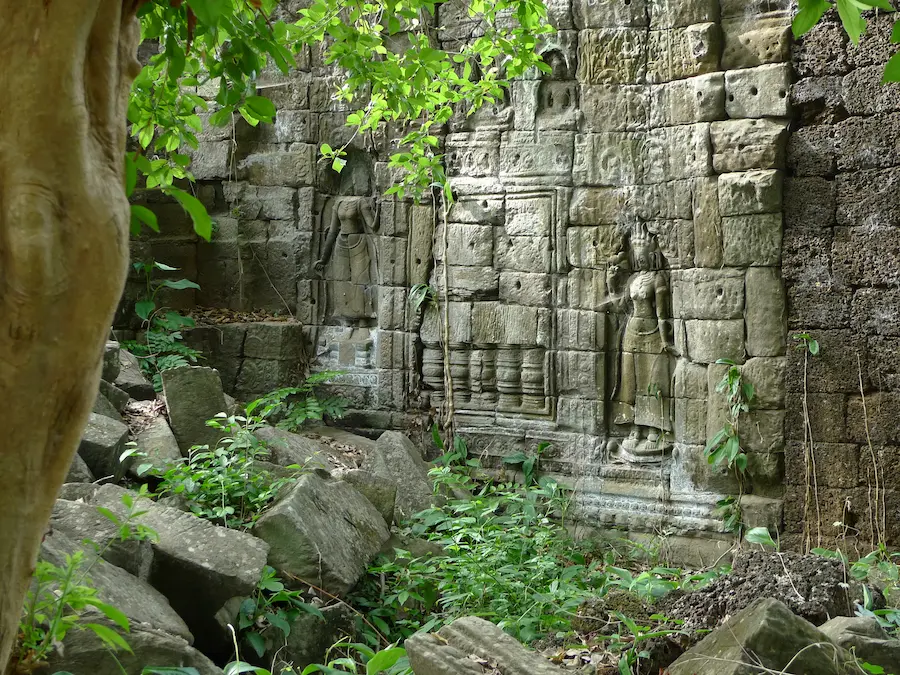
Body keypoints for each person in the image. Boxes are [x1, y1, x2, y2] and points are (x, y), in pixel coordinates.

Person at [603, 220, 675, 459]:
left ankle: (654, 427)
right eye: (637, 255)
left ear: (652, 255)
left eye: (644, 255)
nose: (641, 259)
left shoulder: (658, 280)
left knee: (652, 382)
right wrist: (611, 283)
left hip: (652, 333)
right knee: (631, 382)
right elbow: (620, 306)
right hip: (631, 333)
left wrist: (666, 340)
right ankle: (635, 426)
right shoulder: (633, 280)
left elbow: (663, 313)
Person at [314, 195, 379, 325]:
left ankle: (362, 320)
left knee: (360, 279)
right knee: (340, 280)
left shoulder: (361, 202)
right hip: (341, 243)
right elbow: (332, 231)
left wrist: (379, 210)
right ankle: (346, 319)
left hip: (358, 242)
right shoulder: (338, 202)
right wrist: (323, 259)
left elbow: (372, 225)